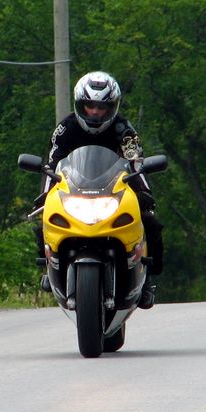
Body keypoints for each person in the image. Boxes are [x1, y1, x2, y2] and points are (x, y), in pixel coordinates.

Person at [34, 70, 164, 308]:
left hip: (113, 191)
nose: (95, 112)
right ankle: (49, 268)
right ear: (79, 104)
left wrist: (145, 194)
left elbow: (137, 163)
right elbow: (51, 165)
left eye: (102, 107)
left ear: (113, 107)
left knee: (150, 221)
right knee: (43, 220)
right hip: (74, 191)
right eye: (90, 106)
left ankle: (147, 282)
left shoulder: (125, 131)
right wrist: (44, 196)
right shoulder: (65, 129)